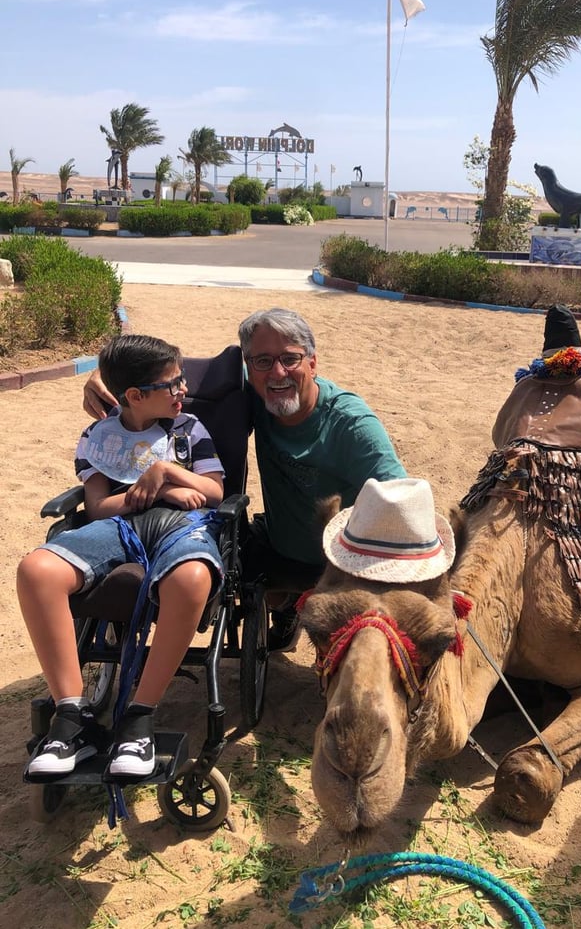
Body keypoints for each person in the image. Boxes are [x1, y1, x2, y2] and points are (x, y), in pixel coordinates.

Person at [82, 308, 406, 652]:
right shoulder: (261, 395)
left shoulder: (351, 424)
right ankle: (284, 606)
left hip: (344, 563)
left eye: (290, 359)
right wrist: (106, 375)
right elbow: (167, 371)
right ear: (249, 369)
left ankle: (291, 603)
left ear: (312, 363)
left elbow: (401, 498)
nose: (277, 372)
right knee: (235, 548)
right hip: (281, 546)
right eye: (263, 361)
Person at [20, 335, 225, 780]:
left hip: (180, 526)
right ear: (135, 395)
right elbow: (98, 507)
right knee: (36, 570)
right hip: (118, 525)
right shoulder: (99, 438)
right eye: (172, 384)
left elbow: (213, 491)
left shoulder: (189, 430)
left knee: (190, 577)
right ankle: (71, 717)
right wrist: (161, 491)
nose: (183, 389)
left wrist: (165, 471)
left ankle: (139, 717)